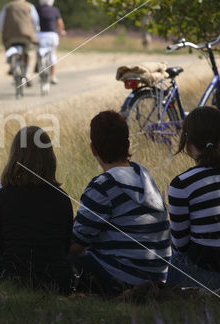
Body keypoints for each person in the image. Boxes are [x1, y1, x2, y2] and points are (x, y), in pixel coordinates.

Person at [0, 126, 74, 294]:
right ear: (50, 158)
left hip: (15, 276)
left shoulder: (3, 197)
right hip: (57, 279)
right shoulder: (63, 198)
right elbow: (64, 247)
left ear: (15, 157)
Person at [70, 111, 171, 296]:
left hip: (123, 278)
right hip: (158, 275)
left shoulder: (103, 186)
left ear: (93, 149)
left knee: (58, 261)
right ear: (128, 144)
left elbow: (76, 245)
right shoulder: (144, 175)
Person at [166, 106, 220, 289]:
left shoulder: (181, 184)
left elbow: (180, 246)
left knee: (170, 256)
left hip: (209, 277)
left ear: (188, 143)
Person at [0, 0, 40, 83]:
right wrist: (36, 30)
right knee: (27, 53)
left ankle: (11, 63)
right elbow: (35, 21)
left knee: (7, 47)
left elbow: (1, 21)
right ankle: (27, 74)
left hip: (10, 36)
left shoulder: (7, 7)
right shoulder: (29, 6)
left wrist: (2, 31)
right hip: (26, 36)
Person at [36, 0, 66, 84]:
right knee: (52, 54)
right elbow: (60, 23)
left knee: (38, 52)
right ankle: (53, 76)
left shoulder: (37, 9)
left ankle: (40, 66)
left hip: (39, 35)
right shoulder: (54, 10)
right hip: (52, 35)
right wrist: (61, 32)